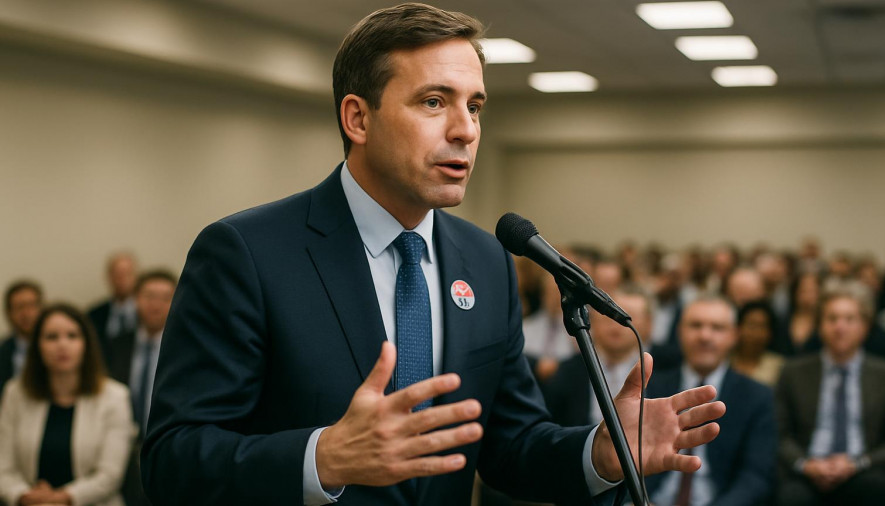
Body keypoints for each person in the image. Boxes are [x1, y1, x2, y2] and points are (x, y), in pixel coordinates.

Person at [141, 4, 725, 505]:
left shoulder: (485, 258)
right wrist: (323, 457)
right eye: (433, 102)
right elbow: (173, 461)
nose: (466, 130)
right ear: (358, 118)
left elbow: (508, 443)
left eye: (474, 106)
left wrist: (599, 451)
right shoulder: (247, 252)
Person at [645, 295, 776, 506]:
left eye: (717, 328)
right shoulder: (651, 388)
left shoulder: (757, 396)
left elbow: (756, 475)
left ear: (734, 336)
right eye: (695, 325)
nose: (705, 336)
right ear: (679, 331)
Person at [775, 289, 885, 505]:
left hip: (864, 469)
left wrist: (859, 463)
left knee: (879, 490)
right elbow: (779, 431)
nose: (840, 327)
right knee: (790, 497)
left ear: (865, 326)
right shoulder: (793, 372)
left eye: (850, 319)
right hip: (808, 469)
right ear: (820, 325)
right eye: (832, 318)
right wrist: (805, 464)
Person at [0, 304, 134, 506]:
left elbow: (109, 476)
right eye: (51, 337)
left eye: (72, 336)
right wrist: (25, 496)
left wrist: (59, 498)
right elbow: (4, 467)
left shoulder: (115, 396)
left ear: (86, 344)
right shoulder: (16, 393)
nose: (62, 345)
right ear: (37, 345)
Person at [107, 270, 177, 506]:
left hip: (167, 449)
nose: (155, 304)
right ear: (135, 299)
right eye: (148, 296)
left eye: (165, 297)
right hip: (119, 451)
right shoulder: (115, 344)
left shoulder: (185, 350)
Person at [544, 288, 651, 427]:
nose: (616, 323)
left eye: (628, 315)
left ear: (649, 324)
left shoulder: (663, 372)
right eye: (609, 315)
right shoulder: (567, 372)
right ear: (592, 321)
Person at [88, 252, 139, 360]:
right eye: (117, 274)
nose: (122, 280)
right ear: (108, 277)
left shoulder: (146, 313)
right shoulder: (94, 314)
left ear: (136, 276)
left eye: (127, 274)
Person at [1, 280, 43, 400]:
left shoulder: (58, 345)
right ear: (9, 313)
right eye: (19, 307)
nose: (26, 314)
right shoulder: (3, 352)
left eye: (31, 305)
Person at [731, 301, 784, 387]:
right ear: (738, 328)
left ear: (770, 332)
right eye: (751, 325)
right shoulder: (724, 360)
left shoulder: (779, 366)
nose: (755, 332)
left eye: (761, 326)